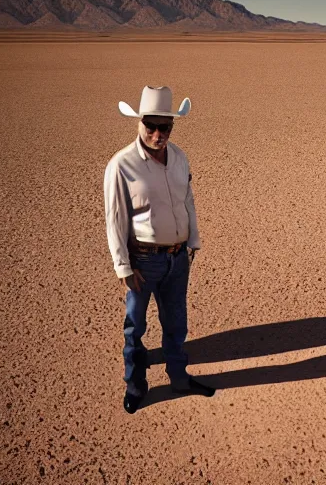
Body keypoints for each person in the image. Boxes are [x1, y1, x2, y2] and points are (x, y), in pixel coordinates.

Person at [104, 85, 215, 414]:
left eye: (164, 126)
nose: (157, 133)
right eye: (150, 125)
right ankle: (136, 385)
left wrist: (192, 242)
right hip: (143, 262)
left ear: (172, 126)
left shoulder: (179, 157)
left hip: (178, 259)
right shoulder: (122, 166)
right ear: (139, 123)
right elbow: (115, 219)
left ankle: (179, 377)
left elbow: (188, 201)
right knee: (135, 327)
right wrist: (123, 267)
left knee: (177, 322)